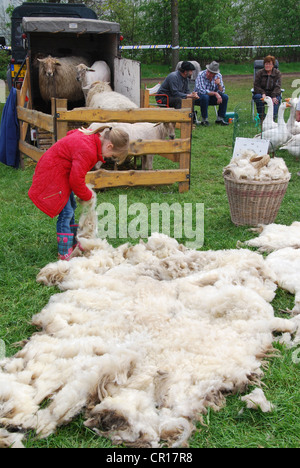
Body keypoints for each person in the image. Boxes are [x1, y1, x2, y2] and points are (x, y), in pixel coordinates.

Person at [28, 125, 129, 260]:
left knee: (71, 207)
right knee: (66, 213)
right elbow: (76, 180)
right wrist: (88, 196)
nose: (110, 158)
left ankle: (73, 241)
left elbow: (71, 135)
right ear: (109, 146)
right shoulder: (87, 150)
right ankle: (64, 253)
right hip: (53, 175)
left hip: (60, 173)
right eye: (113, 155)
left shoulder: (91, 138)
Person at [194, 61, 229, 126]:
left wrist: (219, 84)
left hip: (211, 98)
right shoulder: (201, 75)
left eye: (211, 73)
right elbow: (202, 91)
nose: (208, 74)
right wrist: (216, 94)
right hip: (199, 98)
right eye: (208, 71)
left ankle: (220, 119)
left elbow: (222, 91)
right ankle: (204, 120)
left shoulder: (218, 76)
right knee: (205, 97)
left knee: (225, 97)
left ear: (215, 74)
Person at [253, 55, 282, 121]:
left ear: (273, 65)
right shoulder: (259, 73)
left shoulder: (277, 73)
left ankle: (272, 119)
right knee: (258, 97)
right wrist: (263, 93)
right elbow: (256, 86)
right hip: (262, 93)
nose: (267, 66)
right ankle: (262, 117)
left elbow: (278, 86)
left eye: (269, 64)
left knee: (276, 100)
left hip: (273, 93)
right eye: (266, 64)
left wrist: (273, 96)